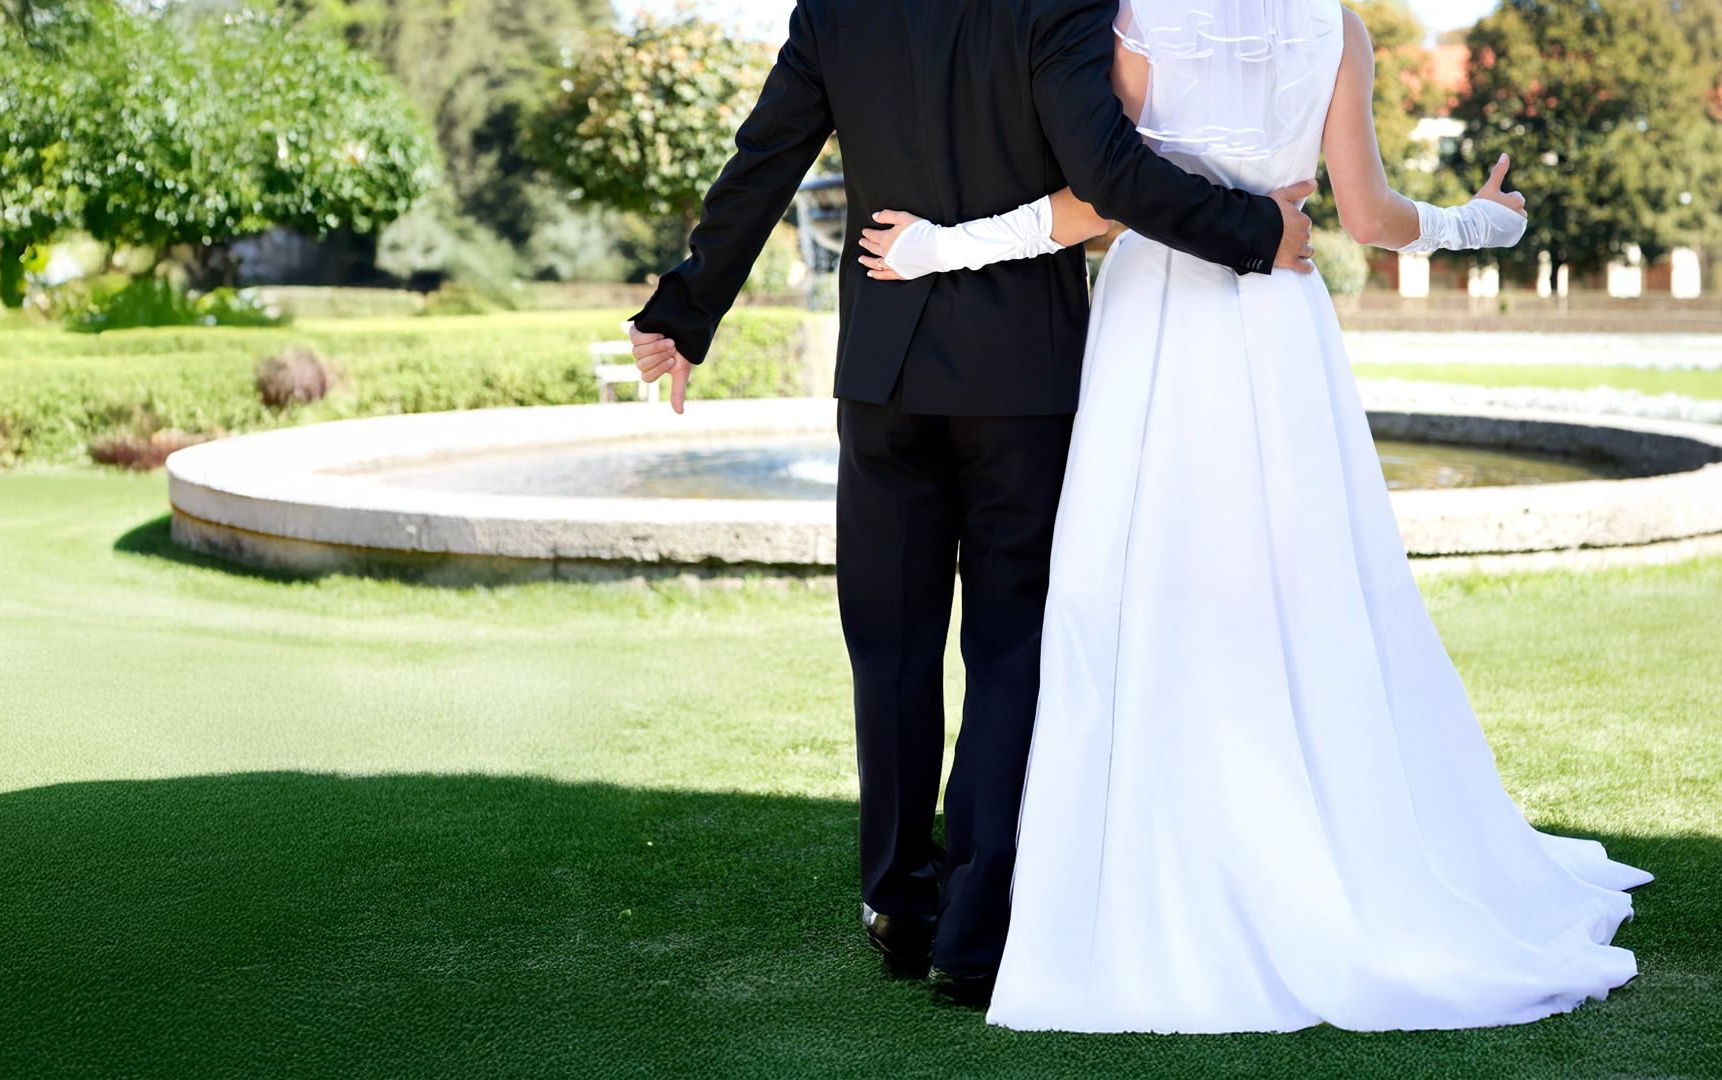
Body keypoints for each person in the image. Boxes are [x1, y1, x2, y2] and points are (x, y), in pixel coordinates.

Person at [856, 0, 1650, 1031]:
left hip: (1159, 321)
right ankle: (1325, 832)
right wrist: (1475, 224)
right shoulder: (1338, 28)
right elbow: (1365, 217)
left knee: (1130, 587)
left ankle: (1132, 852)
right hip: (1281, 318)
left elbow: (1102, 201)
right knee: (1300, 585)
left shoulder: (1129, 23)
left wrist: (941, 250)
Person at [627, 0, 1316, 1001]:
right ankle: (977, 928)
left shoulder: (837, 10)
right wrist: (1260, 228)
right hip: (1024, 384)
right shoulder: (1064, 5)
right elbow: (1112, 175)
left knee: (893, 647)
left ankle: (900, 905)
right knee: (1010, 650)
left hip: (884, 375)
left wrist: (686, 310)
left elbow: (766, 156)